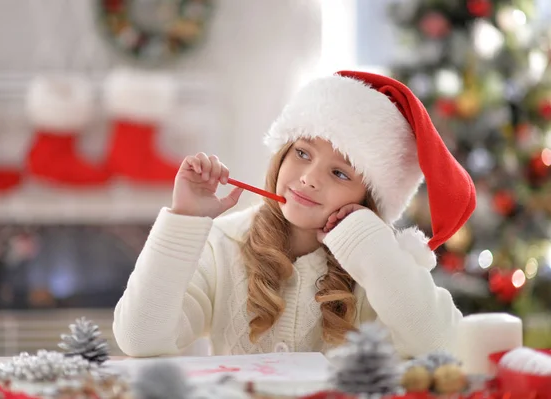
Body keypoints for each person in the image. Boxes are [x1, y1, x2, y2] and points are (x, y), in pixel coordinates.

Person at [113, 70, 476, 359]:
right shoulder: (223, 243)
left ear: (368, 200)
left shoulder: (379, 262)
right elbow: (139, 338)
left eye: (340, 173)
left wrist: (370, 246)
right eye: (302, 153)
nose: (308, 178)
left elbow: (442, 346)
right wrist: (184, 221)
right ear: (282, 154)